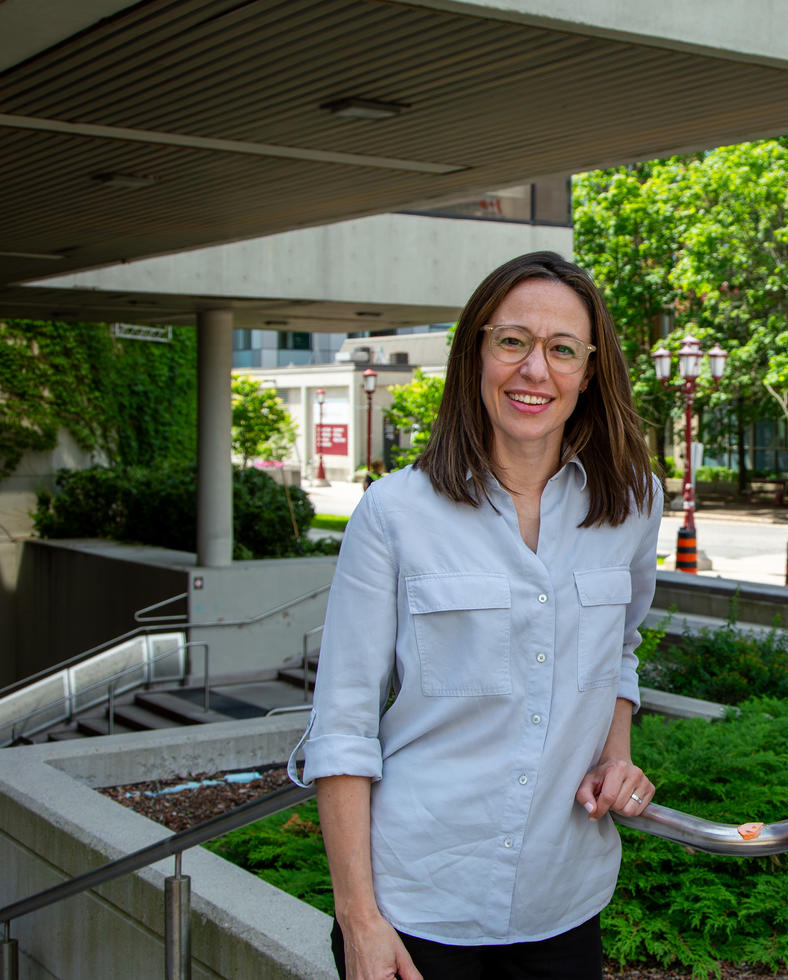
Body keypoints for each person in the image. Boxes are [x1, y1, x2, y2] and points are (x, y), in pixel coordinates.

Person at [288, 251, 662, 980]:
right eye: (512, 341)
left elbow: (622, 649)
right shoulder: (393, 514)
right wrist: (359, 919)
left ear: (589, 372)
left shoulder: (632, 505)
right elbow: (342, 728)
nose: (535, 370)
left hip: (565, 902)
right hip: (417, 908)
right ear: (476, 353)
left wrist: (616, 753)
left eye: (562, 350)